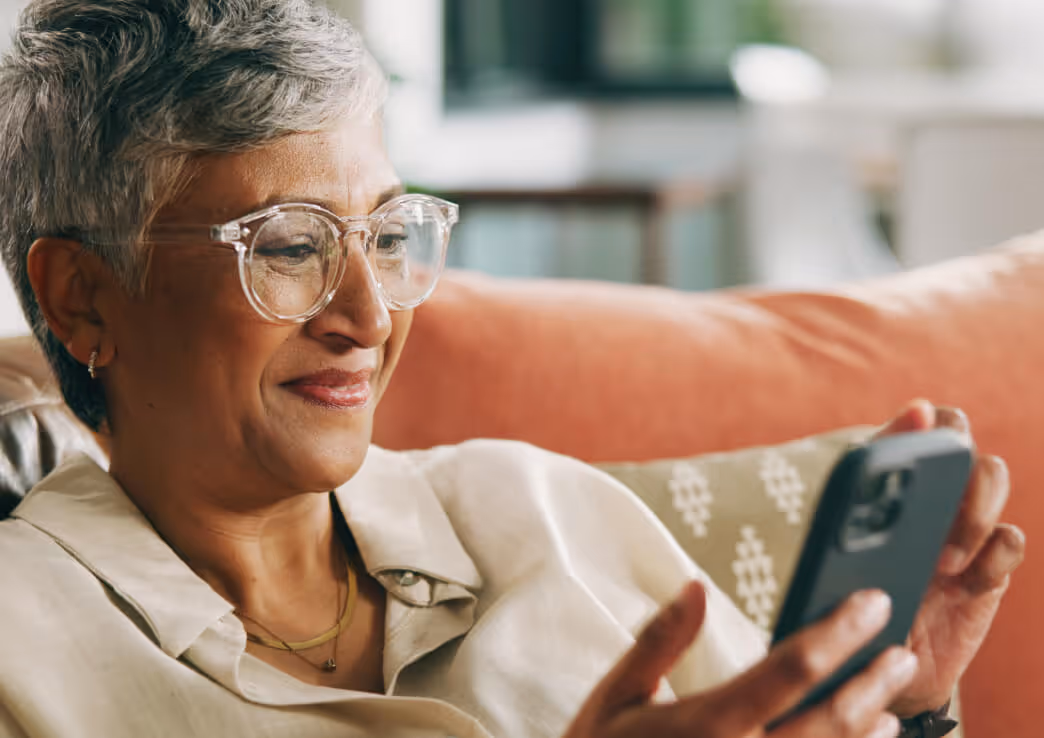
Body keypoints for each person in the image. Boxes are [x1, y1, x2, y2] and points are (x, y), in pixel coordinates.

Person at [0, 2, 1024, 737]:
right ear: (82, 295)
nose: (370, 314)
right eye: (289, 245)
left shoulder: (540, 506)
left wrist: (906, 711)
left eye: (388, 233)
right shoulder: (24, 653)